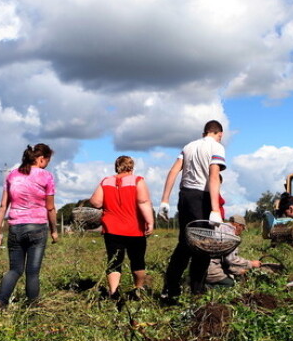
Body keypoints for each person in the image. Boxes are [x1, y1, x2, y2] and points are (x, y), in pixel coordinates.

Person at [159, 120, 226, 301]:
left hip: (185, 196)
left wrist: (165, 200)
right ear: (220, 134)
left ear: (205, 132)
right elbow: (213, 176)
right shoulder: (216, 147)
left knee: (184, 243)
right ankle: (196, 290)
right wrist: (215, 209)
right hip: (201, 198)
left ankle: (170, 287)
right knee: (203, 245)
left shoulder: (188, 146)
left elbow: (173, 172)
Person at [0, 144, 59, 308]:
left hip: (15, 227)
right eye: (47, 160)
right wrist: (54, 231)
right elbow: (50, 208)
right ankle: (32, 310)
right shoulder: (47, 176)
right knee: (32, 272)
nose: (47, 164)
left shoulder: (12, 175)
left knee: (14, 270)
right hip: (37, 227)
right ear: (41, 159)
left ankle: (0, 304)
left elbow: (3, 206)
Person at [89, 156, 154, 299]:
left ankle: (113, 292)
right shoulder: (138, 180)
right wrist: (150, 222)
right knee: (137, 260)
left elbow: (95, 202)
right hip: (135, 229)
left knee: (114, 261)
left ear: (116, 166)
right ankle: (138, 290)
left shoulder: (106, 181)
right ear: (131, 167)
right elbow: (143, 201)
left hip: (112, 228)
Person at [206, 215, 261, 288]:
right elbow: (231, 259)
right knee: (231, 284)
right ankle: (206, 287)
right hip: (210, 269)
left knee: (231, 275)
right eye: (242, 228)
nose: (241, 232)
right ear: (238, 225)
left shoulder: (220, 227)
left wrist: (238, 271)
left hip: (201, 265)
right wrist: (251, 264)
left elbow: (225, 259)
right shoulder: (230, 234)